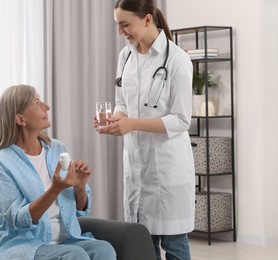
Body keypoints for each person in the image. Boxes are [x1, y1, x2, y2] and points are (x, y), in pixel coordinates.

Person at [95, 1, 195, 259]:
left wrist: (132, 124)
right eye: (118, 25)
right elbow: (122, 103)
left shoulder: (178, 59)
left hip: (167, 168)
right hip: (136, 166)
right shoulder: (125, 56)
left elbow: (182, 120)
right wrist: (116, 119)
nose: (121, 32)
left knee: (174, 246)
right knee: (143, 245)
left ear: (147, 19)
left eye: (125, 24)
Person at [0, 84, 116, 260]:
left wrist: (80, 186)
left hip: (67, 240)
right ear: (20, 119)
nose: (46, 106)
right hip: (24, 245)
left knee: (104, 249)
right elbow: (19, 219)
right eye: (36, 102)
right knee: (76, 255)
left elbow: (80, 209)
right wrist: (54, 189)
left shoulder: (56, 148)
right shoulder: (1, 161)